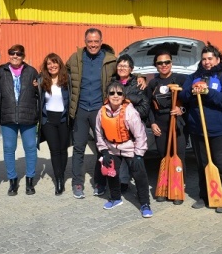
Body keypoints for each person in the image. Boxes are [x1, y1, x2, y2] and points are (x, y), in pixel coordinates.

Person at [180, 42, 222, 213]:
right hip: (198, 130)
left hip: (220, 131)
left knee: (220, 164)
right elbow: (183, 95)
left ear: (217, 59)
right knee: (202, 164)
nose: (206, 62)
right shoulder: (194, 76)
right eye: (204, 59)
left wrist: (208, 93)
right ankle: (204, 196)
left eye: (210, 58)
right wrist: (192, 89)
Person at [66, 28, 117, 199]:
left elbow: (125, 73)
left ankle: (99, 182)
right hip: (80, 110)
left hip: (99, 110)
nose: (93, 45)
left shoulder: (110, 60)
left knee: (101, 148)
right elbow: (60, 73)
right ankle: (77, 183)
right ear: (85, 41)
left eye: (96, 41)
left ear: (101, 42)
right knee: (78, 148)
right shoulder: (76, 58)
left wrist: (139, 77)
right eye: (90, 41)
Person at [95, 81, 153, 218]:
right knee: (112, 173)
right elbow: (98, 133)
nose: (115, 96)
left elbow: (140, 134)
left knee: (139, 174)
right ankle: (115, 198)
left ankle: (145, 203)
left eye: (119, 93)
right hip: (111, 148)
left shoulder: (130, 112)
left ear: (123, 96)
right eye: (112, 93)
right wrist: (104, 151)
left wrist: (139, 154)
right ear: (107, 95)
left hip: (130, 148)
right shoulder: (101, 112)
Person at [96, 54, 150, 196]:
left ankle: (138, 189)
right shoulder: (112, 83)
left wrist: (126, 115)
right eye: (120, 65)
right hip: (115, 126)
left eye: (125, 66)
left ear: (131, 69)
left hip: (132, 126)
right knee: (119, 157)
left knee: (133, 160)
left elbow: (145, 107)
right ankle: (121, 182)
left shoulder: (138, 83)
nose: (122, 68)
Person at [0, 44, 40, 196]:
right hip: (7, 116)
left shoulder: (31, 71)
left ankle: (30, 180)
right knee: (9, 149)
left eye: (19, 54)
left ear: (23, 56)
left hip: (27, 116)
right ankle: (12, 181)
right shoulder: (1, 71)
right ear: (8, 55)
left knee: (30, 148)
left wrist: (38, 86)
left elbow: (39, 91)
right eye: (12, 53)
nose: (15, 56)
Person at [146, 49, 187, 204]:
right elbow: (148, 105)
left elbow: (190, 102)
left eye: (167, 62)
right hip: (160, 123)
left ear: (171, 63)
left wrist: (181, 110)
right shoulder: (153, 83)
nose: (163, 65)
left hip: (177, 122)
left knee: (179, 156)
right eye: (160, 63)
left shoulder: (181, 80)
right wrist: (153, 122)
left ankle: (177, 188)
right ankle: (164, 186)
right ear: (156, 66)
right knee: (164, 155)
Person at [39, 53, 70, 195]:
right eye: (49, 64)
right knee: (54, 150)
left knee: (63, 150)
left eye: (54, 63)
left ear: (59, 64)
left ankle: (61, 174)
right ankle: (58, 180)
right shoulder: (41, 81)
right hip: (48, 120)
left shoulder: (67, 80)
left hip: (63, 119)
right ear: (46, 67)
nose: (52, 66)